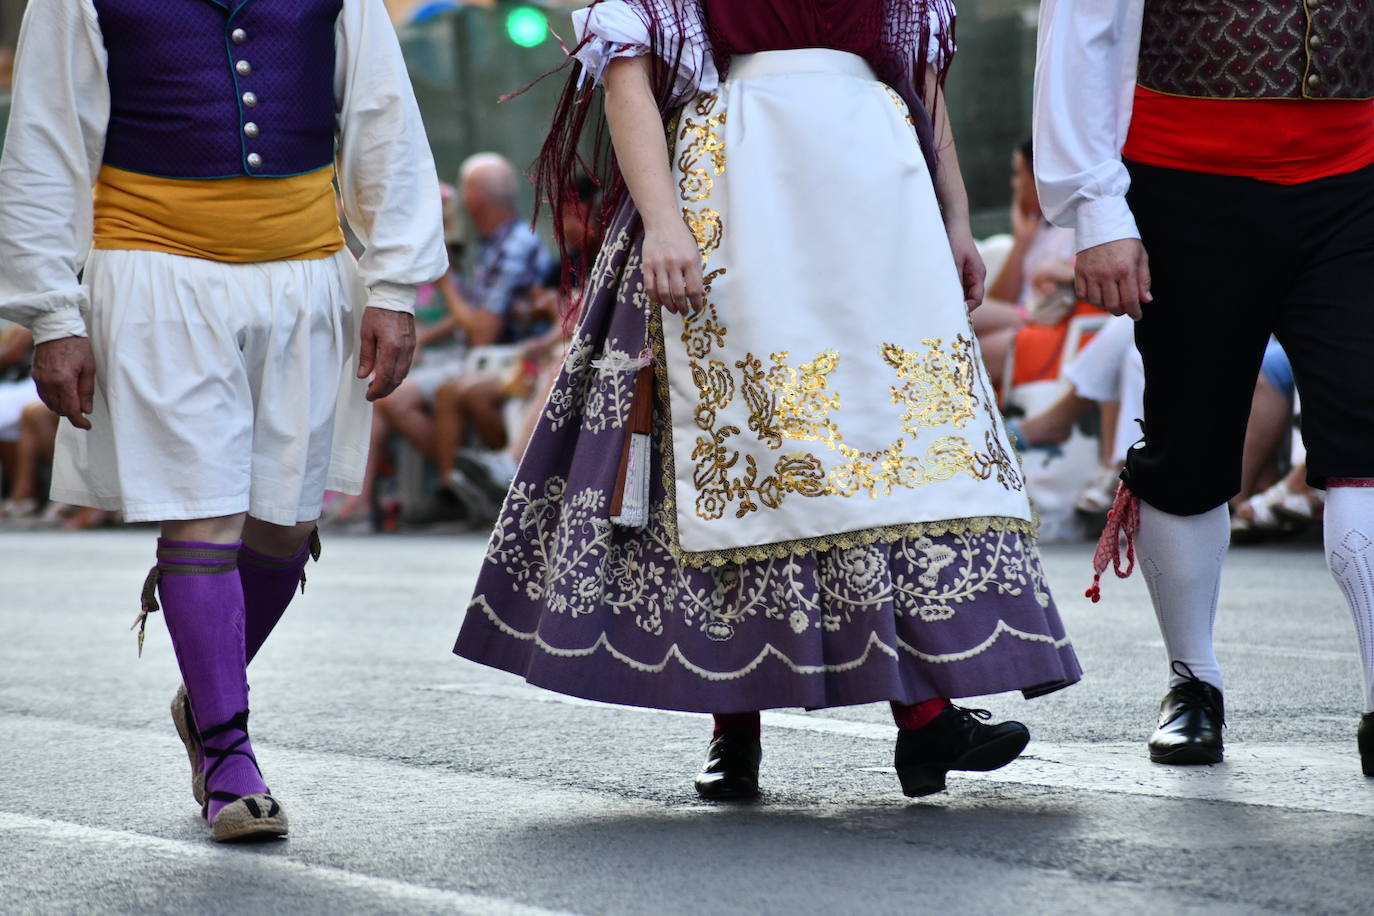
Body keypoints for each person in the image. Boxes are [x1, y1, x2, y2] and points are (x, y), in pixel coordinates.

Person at [454, 0, 1081, 801]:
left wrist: (955, 215)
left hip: (874, 189)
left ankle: (923, 718)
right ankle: (738, 715)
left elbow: (918, 75)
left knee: (887, 453)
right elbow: (628, 73)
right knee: (758, 455)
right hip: (741, 185)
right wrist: (664, 222)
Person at [0, 0, 447, 840]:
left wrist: (393, 283)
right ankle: (228, 758)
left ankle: (209, 693)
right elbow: (45, 144)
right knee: (203, 507)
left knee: (284, 524)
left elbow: (382, 114)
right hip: (151, 271)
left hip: (307, 274)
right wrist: (53, 313)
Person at [1035, 0, 1374, 772]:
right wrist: (1096, 209)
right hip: (1184, 181)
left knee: (1366, 433)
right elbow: (1083, 26)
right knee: (1189, 444)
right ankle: (1193, 683)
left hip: (1358, 177)